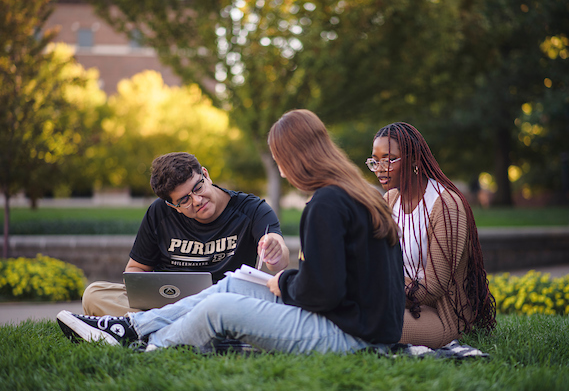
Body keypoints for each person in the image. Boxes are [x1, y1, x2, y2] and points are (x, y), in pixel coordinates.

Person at [56, 109, 405, 355]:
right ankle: (130, 328)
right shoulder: (358, 192)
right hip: (360, 325)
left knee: (220, 306)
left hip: (355, 338)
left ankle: (147, 346)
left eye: (279, 162)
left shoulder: (326, 203)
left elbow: (323, 293)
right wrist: (285, 283)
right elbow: (335, 282)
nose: (282, 174)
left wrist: (282, 282)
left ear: (295, 159)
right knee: (235, 284)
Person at [82, 152, 290, 317]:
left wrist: (274, 250)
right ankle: (174, 324)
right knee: (94, 295)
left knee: (258, 306)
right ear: (172, 205)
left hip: (223, 304)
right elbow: (136, 269)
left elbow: (279, 262)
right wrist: (151, 293)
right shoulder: (159, 213)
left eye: (198, 188)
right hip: (166, 304)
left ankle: (152, 325)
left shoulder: (252, 209)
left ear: (206, 175)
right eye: (184, 200)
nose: (197, 200)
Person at [367, 122, 496, 349]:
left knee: (365, 321)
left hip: (442, 316)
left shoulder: (445, 205)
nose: (379, 168)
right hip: (399, 301)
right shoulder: (390, 201)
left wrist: (381, 288)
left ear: (415, 159)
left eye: (389, 159)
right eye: (375, 161)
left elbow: (434, 287)